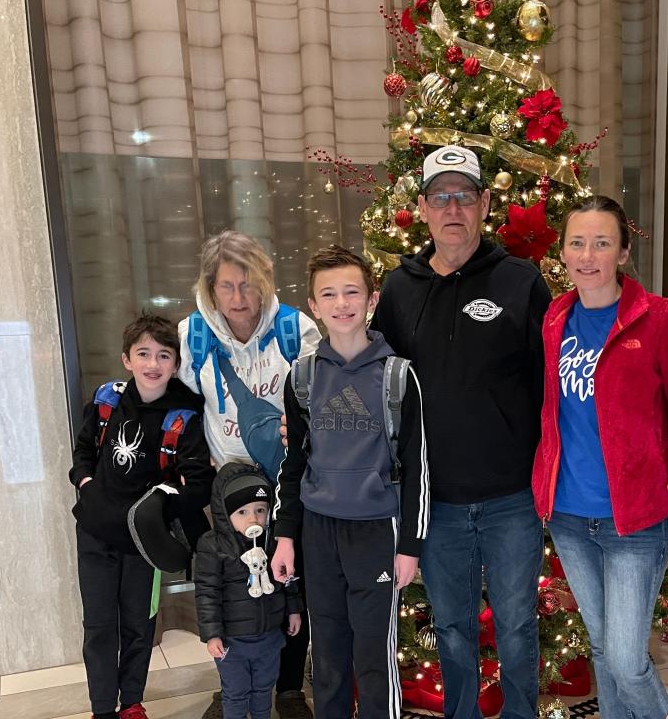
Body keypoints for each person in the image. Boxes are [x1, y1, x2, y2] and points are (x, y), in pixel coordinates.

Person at [370, 145, 552, 719]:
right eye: (441, 197)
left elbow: (551, 386)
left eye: (465, 196)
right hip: (438, 501)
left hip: (512, 499)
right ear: (423, 208)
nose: (454, 208)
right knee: (451, 628)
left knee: (518, 625)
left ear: (485, 203)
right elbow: (377, 380)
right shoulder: (399, 289)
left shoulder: (521, 282)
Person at [531, 195, 668, 719]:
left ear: (621, 252)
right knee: (601, 649)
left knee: (626, 657)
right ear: (563, 251)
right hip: (570, 514)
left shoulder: (655, 317)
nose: (587, 254)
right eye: (577, 242)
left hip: (634, 520)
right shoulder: (554, 319)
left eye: (601, 242)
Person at [270, 245, 429, 719]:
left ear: (371, 299)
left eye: (351, 292)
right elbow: (293, 466)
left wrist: (412, 546)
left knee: (374, 657)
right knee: (330, 656)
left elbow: (417, 465)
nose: (342, 304)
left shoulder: (397, 377)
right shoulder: (302, 377)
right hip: (319, 531)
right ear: (314, 307)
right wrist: (284, 536)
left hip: (377, 531)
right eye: (329, 295)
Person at [178, 230, 321, 719]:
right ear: (210, 288)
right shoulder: (192, 335)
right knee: (234, 583)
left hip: (286, 478)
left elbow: (324, 393)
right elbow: (180, 404)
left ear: (264, 282)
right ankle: (236, 681)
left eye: (247, 285)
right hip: (228, 484)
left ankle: (286, 688)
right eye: (226, 287)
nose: (239, 299)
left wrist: (301, 422)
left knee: (287, 576)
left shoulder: (294, 329)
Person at [70, 313, 215, 719]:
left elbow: (198, 480)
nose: (153, 364)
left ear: (175, 363)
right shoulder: (106, 401)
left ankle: (131, 702)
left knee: (138, 626)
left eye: (164, 355)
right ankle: (103, 709)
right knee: (99, 627)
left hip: (144, 545)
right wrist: (84, 483)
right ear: (127, 359)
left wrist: (164, 506)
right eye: (144, 353)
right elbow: (83, 451)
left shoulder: (185, 416)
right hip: (95, 535)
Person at [195, 462, 303, 719]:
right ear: (225, 513)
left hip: (269, 637)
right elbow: (207, 592)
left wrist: (294, 611)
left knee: (264, 689)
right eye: (242, 512)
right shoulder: (213, 545)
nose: (253, 519)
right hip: (233, 642)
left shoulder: (274, 540)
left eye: (260, 510)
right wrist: (212, 635)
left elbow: (287, 578)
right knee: (236, 691)